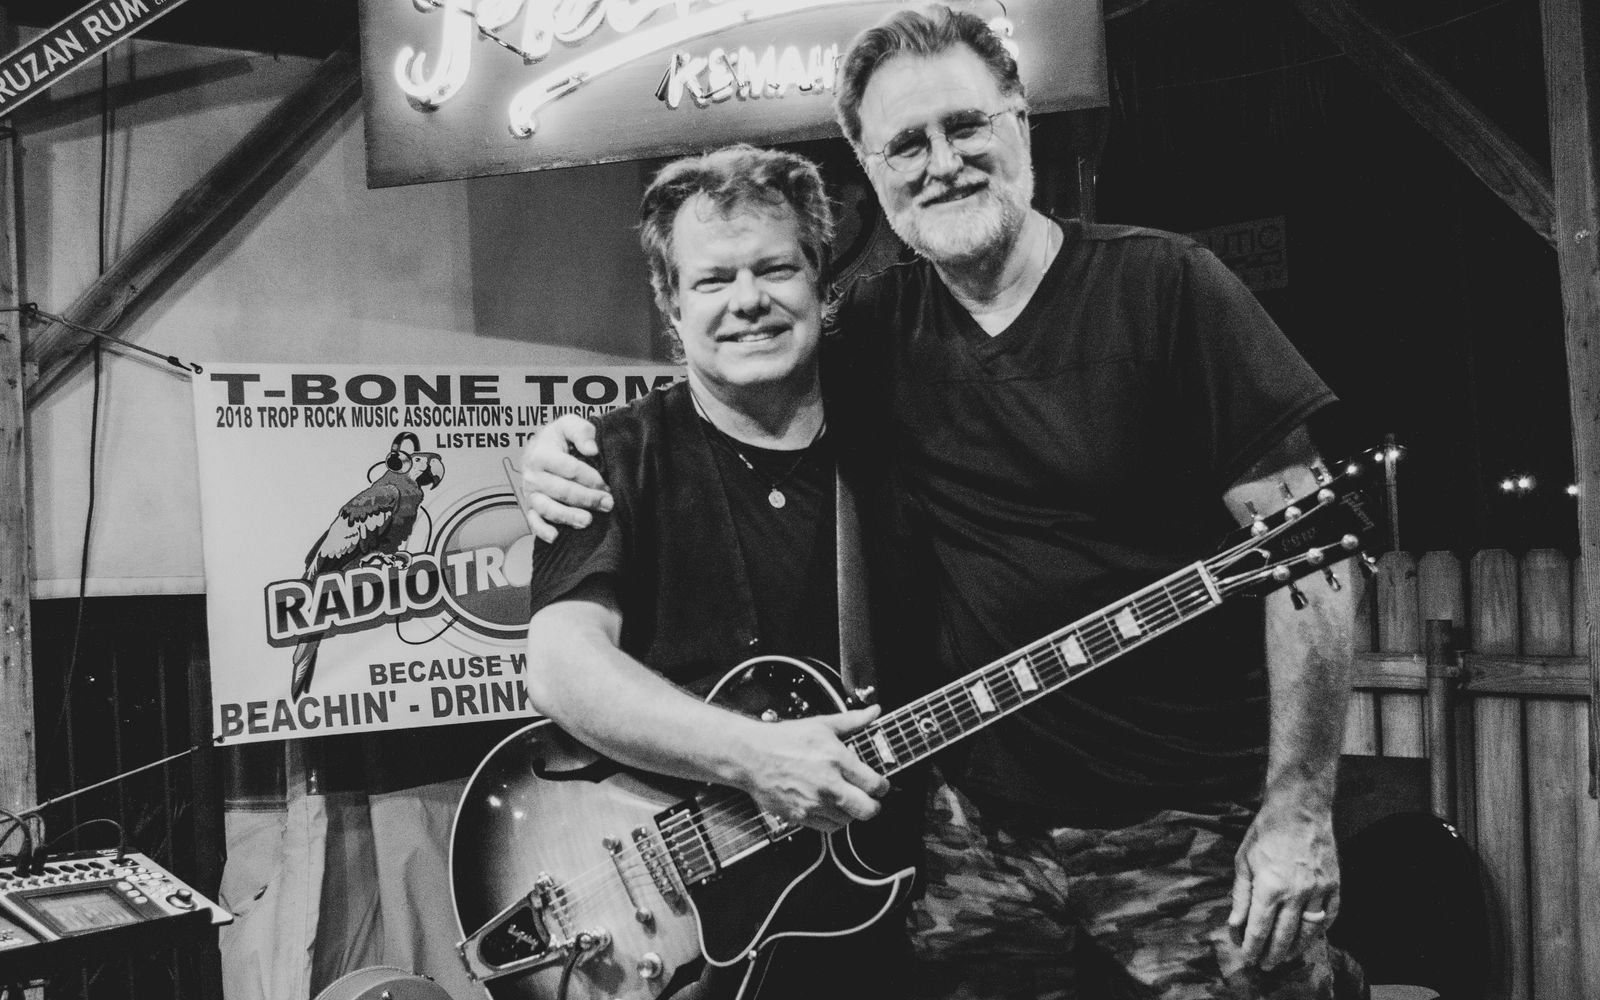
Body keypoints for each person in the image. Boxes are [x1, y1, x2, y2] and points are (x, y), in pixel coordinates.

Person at [518, 7, 1363, 998]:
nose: (944, 163)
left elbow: (1313, 561)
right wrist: (547, 451)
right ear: (873, 172)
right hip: (970, 843)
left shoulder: (1168, 287)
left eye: (965, 126)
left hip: (1186, 827)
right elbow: (735, 379)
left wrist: (1299, 809)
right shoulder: (877, 332)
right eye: (907, 145)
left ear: (1020, 122)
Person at [518, 143, 913, 1000]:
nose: (748, 301)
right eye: (713, 280)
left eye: (775, 268)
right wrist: (752, 757)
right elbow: (560, 665)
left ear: (821, 278)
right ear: (670, 301)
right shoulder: (611, 455)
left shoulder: (899, 432)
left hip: (888, 910)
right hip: (683, 919)